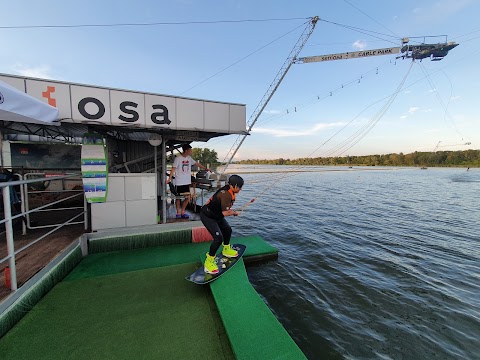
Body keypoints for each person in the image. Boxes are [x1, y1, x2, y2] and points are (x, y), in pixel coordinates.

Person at [200, 174, 244, 274]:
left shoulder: (229, 190)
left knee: (228, 230)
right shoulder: (226, 194)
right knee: (218, 238)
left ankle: (226, 249)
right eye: (240, 187)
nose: (240, 190)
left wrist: (231, 211)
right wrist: (234, 212)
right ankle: (209, 261)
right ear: (235, 185)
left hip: (217, 215)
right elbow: (225, 213)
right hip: (207, 216)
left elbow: (223, 211)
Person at [166, 144, 210, 219]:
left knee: (188, 197)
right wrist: (169, 178)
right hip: (179, 181)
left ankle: (183, 211)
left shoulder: (189, 158)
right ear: (186, 150)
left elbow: (196, 163)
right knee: (178, 197)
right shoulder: (178, 159)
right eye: (190, 150)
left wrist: (205, 168)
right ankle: (178, 212)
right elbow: (173, 168)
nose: (191, 151)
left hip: (187, 181)